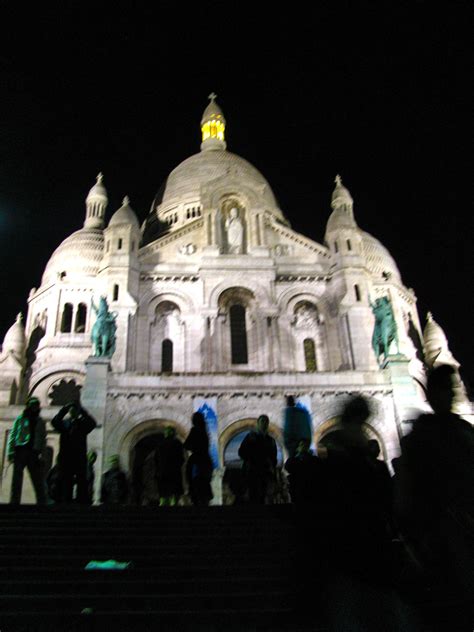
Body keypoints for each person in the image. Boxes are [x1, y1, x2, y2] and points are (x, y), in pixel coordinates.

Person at [395, 365, 474, 616]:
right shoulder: (424, 436)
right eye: (448, 389)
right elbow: (408, 486)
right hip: (441, 526)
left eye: (454, 389)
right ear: (432, 393)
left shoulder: (462, 431)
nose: (453, 395)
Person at [51, 401, 97, 504]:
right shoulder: (65, 423)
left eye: (75, 411)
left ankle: (81, 502)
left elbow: (93, 423)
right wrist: (63, 410)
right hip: (66, 456)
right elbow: (54, 422)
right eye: (71, 411)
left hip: (79, 456)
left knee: (81, 480)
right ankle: (66, 501)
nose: (73, 412)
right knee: (67, 480)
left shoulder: (82, 423)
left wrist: (83, 411)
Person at [7, 396, 47, 505]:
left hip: (34, 452)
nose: (34, 406)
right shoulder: (20, 419)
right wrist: (10, 451)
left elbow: (43, 439)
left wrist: (43, 455)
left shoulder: (40, 421)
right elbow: (13, 435)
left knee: (37, 478)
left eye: (35, 404)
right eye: (32, 404)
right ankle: (14, 501)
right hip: (20, 450)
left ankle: (41, 501)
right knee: (17, 479)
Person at [238, 415, 277, 504]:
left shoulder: (271, 440)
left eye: (266, 422)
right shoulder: (250, 437)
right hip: (252, 470)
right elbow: (241, 452)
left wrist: (271, 466)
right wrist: (251, 458)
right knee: (253, 494)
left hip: (265, 471)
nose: (264, 424)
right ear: (258, 424)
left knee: (263, 494)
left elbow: (273, 457)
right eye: (262, 421)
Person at [184, 412, 214, 506]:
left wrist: (191, 447)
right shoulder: (205, 431)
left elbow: (186, 445)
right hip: (206, 459)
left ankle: (195, 499)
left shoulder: (194, 430)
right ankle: (205, 500)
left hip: (196, 459)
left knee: (193, 479)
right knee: (205, 481)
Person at [284, 438, 322, 504]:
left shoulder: (313, 460)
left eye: (305, 445)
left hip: (309, 489)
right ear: (297, 447)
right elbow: (287, 467)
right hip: (297, 489)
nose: (303, 447)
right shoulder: (294, 459)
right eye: (301, 445)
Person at [155, 426, 184, 506]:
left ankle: (163, 503)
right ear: (173, 433)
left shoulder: (160, 444)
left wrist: (158, 469)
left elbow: (156, 459)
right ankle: (174, 503)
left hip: (163, 472)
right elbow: (181, 458)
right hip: (174, 471)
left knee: (164, 492)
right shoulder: (177, 443)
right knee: (175, 491)